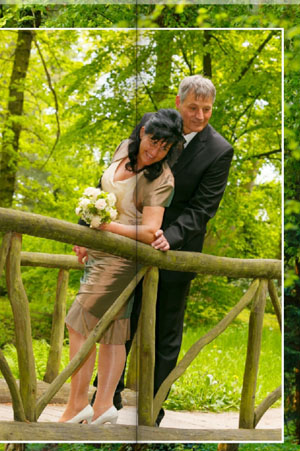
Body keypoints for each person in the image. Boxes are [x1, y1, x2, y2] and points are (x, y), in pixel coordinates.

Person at [78, 75, 235, 426]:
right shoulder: (151, 125)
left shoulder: (219, 149)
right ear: (178, 103)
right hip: (125, 246)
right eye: (193, 107)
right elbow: (111, 177)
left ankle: (152, 412)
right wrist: (85, 226)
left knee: (165, 331)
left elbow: (202, 208)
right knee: (118, 323)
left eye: (206, 109)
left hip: (173, 252)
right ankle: (105, 402)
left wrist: (170, 237)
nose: (199, 115)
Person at [59, 109, 184, 425]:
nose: (154, 151)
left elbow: (149, 231)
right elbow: (102, 194)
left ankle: (76, 405)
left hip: (123, 259)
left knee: (79, 323)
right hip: (100, 252)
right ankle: (102, 408)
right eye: (152, 141)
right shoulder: (121, 150)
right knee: (114, 332)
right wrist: (87, 231)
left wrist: (105, 227)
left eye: (164, 147)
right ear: (142, 132)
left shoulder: (162, 179)